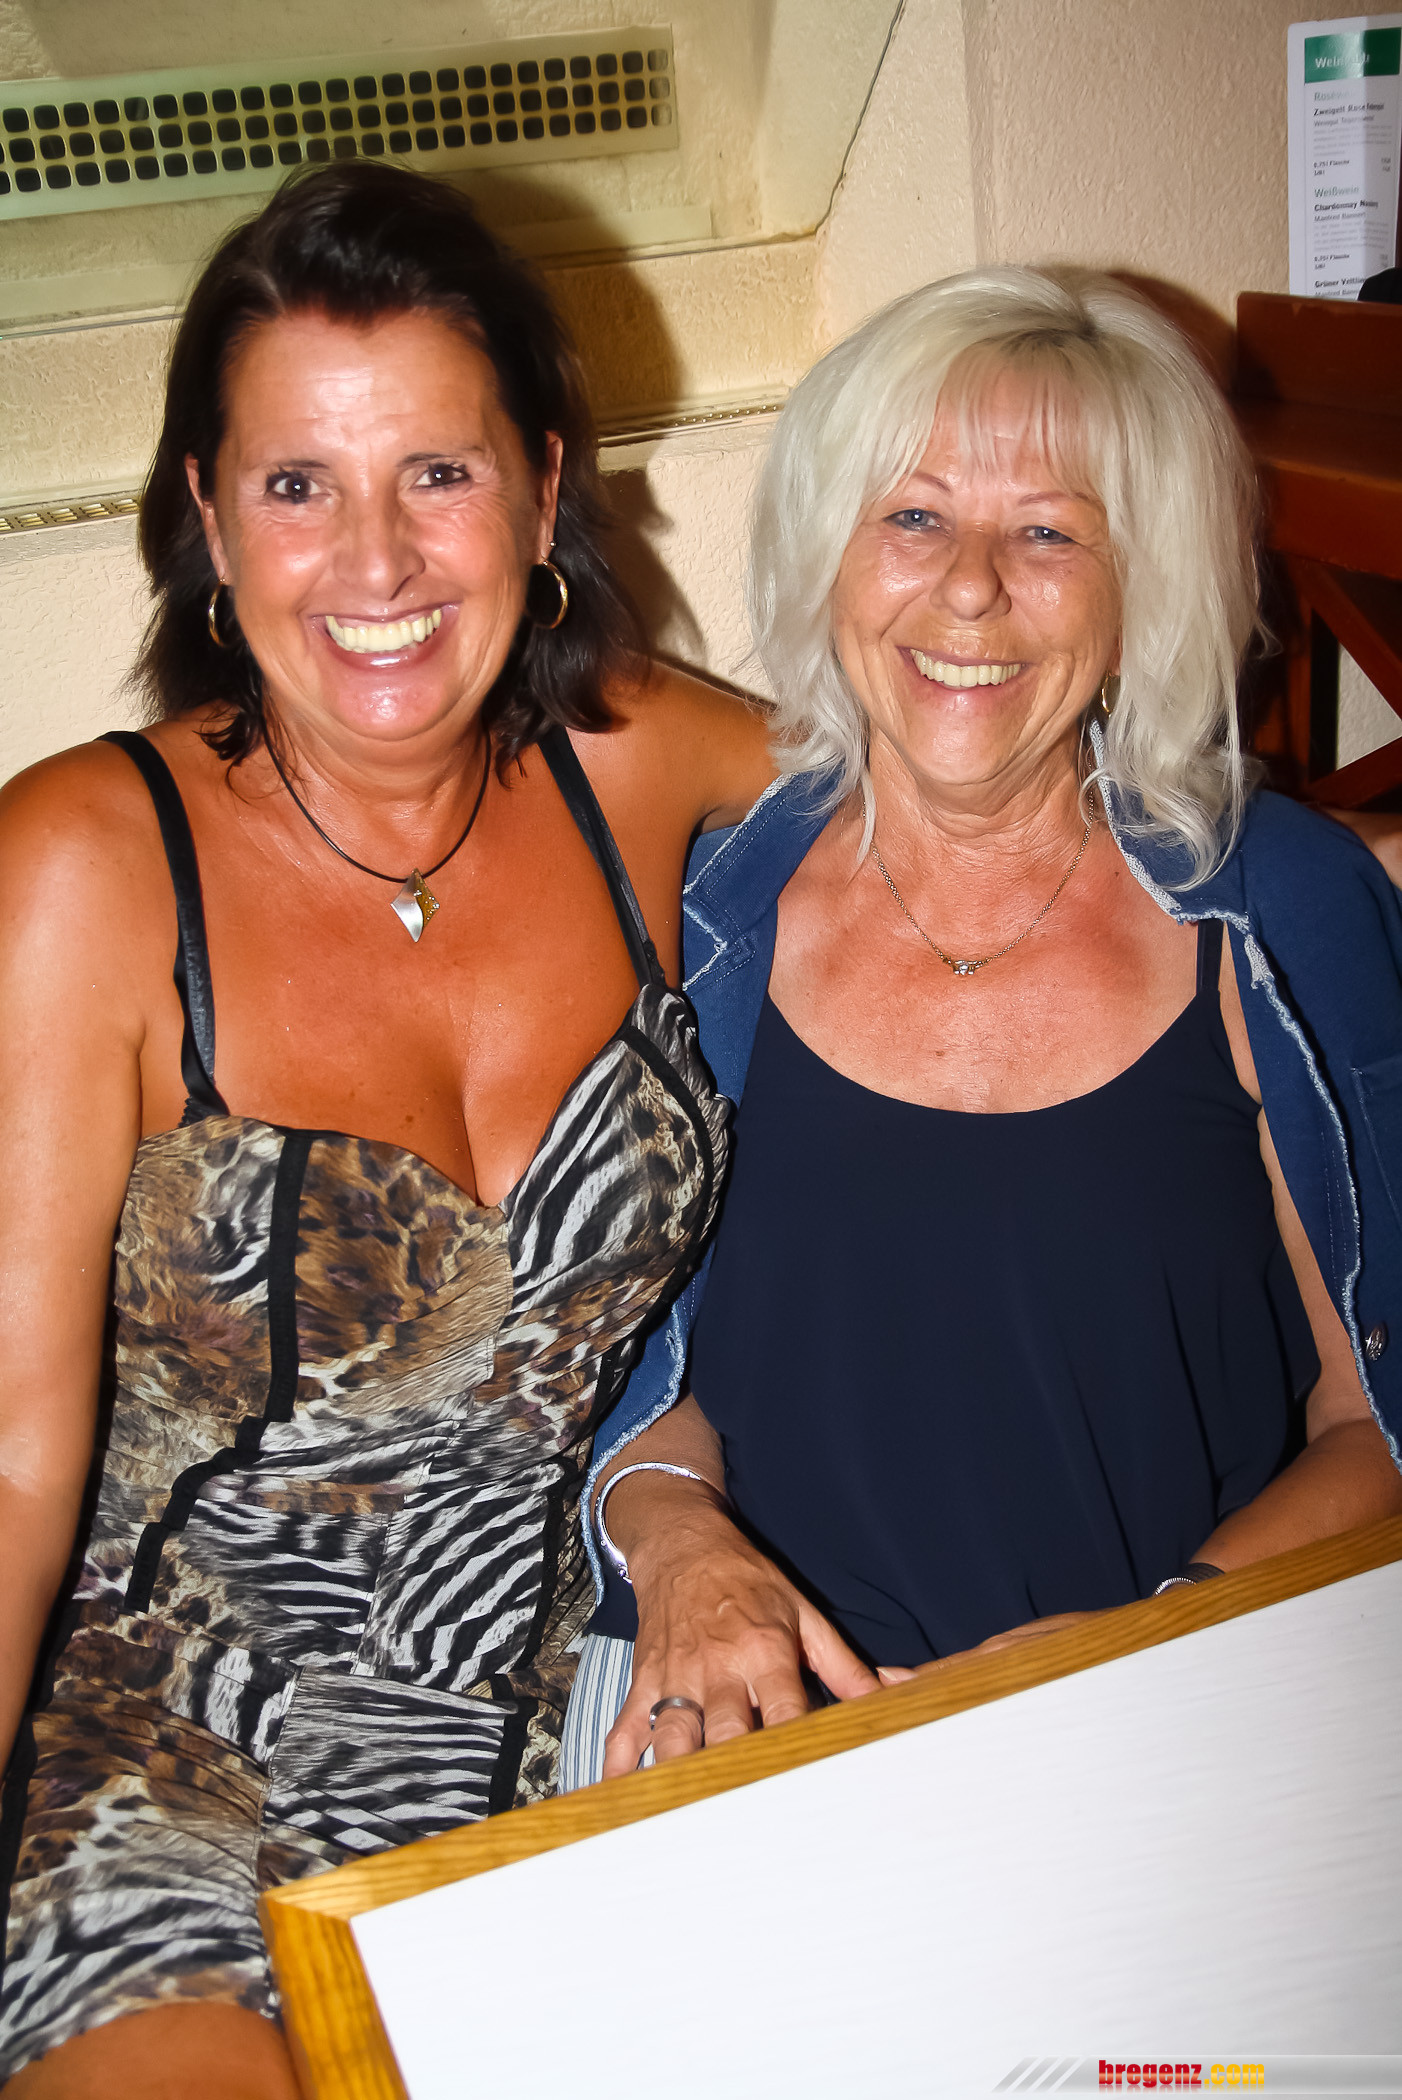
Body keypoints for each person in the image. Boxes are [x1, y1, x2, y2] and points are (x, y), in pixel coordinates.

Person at [0, 164, 773, 2096]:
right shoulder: (89, 862)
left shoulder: (637, 763)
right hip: (170, 1742)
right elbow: (10, 1461)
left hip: (566, 1722)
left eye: (437, 472)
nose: (375, 561)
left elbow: (983, 804)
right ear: (205, 516)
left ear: (542, 482)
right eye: (297, 485)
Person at [563, 266, 1402, 1785]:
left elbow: (1377, 1423)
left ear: (1144, 592)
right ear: (829, 557)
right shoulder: (696, 918)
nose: (967, 588)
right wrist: (679, 1541)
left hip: (1172, 1712)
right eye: (912, 516)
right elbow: (627, 1373)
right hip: (757, 1720)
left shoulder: (1284, 910)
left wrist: (1141, 1649)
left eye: (1049, 532)